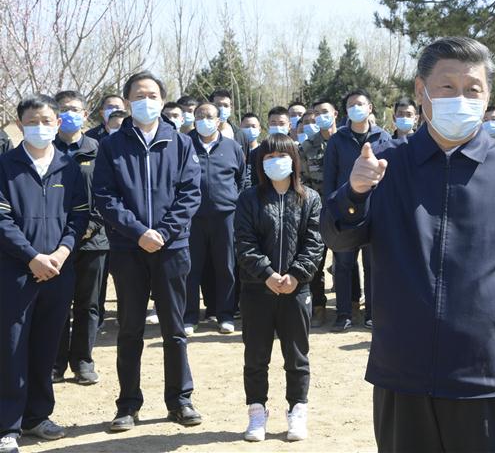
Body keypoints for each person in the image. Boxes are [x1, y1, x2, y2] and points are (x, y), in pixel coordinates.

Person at [320, 37, 495, 452]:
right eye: (447, 87)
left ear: (488, 96)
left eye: (473, 89)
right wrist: (355, 192)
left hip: (487, 375)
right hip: (402, 374)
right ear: (421, 90)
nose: (462, 99)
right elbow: (337, 237)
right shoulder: (385, 164)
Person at [92, 70, 203, 431]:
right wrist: (139, 232)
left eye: (153, 95)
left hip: (173, 248)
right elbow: (105, 197)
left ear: (162, 100)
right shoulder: (111, 146)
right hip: (128, 248)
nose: (146, 101)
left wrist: (164, 233)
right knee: (129, 329)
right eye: (139, 96)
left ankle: (180, 400)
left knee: (175, 328)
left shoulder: (181, 143)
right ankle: (128, 404)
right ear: (127, 102)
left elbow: (190, 194)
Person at [0, 95, 89, 453]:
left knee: (46, 345)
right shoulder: (5, 166)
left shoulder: (69, 167)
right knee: (11, 348)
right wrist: (32, 257)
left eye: (46, 120)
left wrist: (61, 253)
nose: (40, 127)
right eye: (32, 121)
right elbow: (2, 220)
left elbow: (79, 217)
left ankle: (38, 416)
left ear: (57, 123)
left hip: (58, 271)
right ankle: (8, 424)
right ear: (20, 125)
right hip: (14, 272)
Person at [235, 134, 324, 443]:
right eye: (269, 157)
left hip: (296, 292)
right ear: (261, 162)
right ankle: (256, 411)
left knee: (297, 357)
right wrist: (267, 274)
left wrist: (296, 275)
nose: (276, 162)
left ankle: (297, 410)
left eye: (282, 156)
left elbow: (315, 243)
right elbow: (244, 243)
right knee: (256, 357)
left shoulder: (310, 198)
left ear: (294, 160)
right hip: (257, 290)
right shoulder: (249, 198)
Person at [51, 91, 107, 386]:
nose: (69, 114)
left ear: (85, 115)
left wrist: (87, 228)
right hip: (54, 244)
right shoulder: (46, 150)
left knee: (88, 304)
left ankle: (83, 361)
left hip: (92, 241)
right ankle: (55, 362)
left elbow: (106, 195)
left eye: (75, 109)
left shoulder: (99, 150)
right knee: (57, 303)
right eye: (63, 109)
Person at [322, 89, 390, 331]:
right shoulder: (337, 140)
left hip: (375, 212)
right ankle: (344, 314)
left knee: (373, 265)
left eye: (360, 104)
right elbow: (329, 177)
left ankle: (372, 313)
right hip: (345, 211)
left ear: (370, 108)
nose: (356, 108)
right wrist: (331, 209)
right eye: (351, 105)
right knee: (343, 264)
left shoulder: (384, 137)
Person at [184, 101, 246, 335]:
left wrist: (233, 201)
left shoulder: (232, 147)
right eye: (199, 116)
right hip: (192, 217)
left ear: (219, 120)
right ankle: (190, 316)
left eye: (209, 116)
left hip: (225, 216)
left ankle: (225, 315)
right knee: (191, 268)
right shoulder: (184, 144)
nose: (204, 120)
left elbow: (242, 179)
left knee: (226, 267)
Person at [300, 99, 340, 328]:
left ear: (335, 114)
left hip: (344, 211)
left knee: (345, 261)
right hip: (317, 213)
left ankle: (349, 306)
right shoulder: (307, 146)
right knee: (315, 262)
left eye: (325, 111)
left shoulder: (346, 141)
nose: (321, 116)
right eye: (317, 113)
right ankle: (318, 308)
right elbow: (302, 181)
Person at [210, 89, 250, 156]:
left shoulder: (240, 135)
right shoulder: (201, 133)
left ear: (230, 108)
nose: (222, 109)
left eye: (226, 106)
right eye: (218, 105)